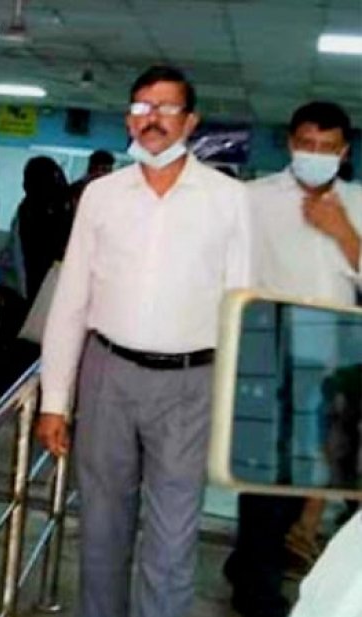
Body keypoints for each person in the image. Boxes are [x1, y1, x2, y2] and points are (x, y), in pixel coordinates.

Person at [36, 65, 252, 617]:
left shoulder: (229, 199)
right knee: (101, 527)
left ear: (191, 121)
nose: (152, 119)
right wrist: (54, 399)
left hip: (189, 383)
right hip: (107, 374)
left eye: (166, 108)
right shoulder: (102, 195)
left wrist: (238, 411)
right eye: (141, 107)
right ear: (129, 118)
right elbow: (71, 299)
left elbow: (243, 309)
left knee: (172, 537)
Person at [225, 100, 362, 617]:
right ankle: (256, 589)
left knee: (312, 476)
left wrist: (343, 231)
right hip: (270, 349)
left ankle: (249, 563)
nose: (316, 154)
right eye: (307, 144)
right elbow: (232, 272)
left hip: (337, 358)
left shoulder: (358, 202)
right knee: (265, 478)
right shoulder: (253, 199)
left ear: (343, 152)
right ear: (290, 143)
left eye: (328, 147)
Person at [0, 157, 72, 406]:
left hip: (18, 288)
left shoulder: (29, 206)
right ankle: (18, 396)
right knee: (28, 346)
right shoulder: (58, 208)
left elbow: (15, 250)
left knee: (7, 344)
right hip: (39, 289)